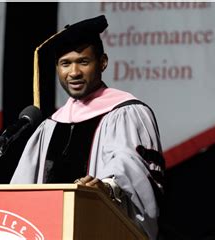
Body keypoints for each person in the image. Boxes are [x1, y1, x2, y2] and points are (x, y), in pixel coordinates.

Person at [10, 15, 165, 240]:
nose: (73, 72)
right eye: (65, 64)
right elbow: (23, 188)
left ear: (102, 62)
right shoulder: (50, 126)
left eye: (83, 62)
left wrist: (108, 188)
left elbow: (131, 165)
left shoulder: (126, 112)